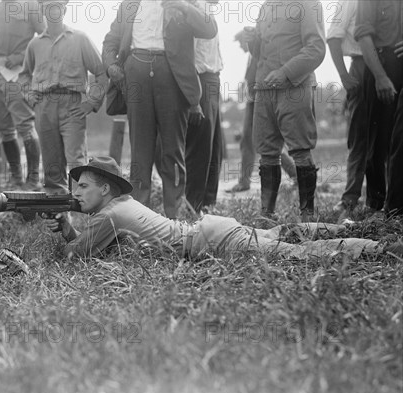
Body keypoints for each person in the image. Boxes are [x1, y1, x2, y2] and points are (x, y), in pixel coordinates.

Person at [44, 156, 403, 260]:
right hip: (212, 230)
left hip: (215, 242)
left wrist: (66, 228)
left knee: (297, 254)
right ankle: (351, 229)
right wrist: (70, 225)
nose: (77, 191)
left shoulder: (109, 214)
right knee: (282, 234)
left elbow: (75, 256)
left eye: (84, 185)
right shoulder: (120, 202)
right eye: (77, 185)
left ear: (105, 189)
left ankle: (380, 248)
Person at [102, 0, 217, 219]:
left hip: (172, 76)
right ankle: (138, 217)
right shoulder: (129, 5)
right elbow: (111, 40)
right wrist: (110, 66)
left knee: (173, 151)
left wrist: (182, 4)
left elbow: (209, 29)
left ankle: (175, 219)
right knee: (140, 151)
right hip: (135, 72)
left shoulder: (186, 3)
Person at [242, 1, 326, 222]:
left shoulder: (308, 4)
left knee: (300, 150)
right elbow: (260, 52)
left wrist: (285, 73)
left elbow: (316, 48)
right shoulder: (266, 6)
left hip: (294, 87)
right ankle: (267, 215)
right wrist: (253, 42)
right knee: (267, 152)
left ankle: (307, 216)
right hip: (264, 88)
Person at [20, 0, 107, 194]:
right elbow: (24, 75)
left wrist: (91, 102)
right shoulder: (35, 44)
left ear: (64, 9)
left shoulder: (80, 39)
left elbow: (101, 72)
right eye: (48, 7)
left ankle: (82, 206)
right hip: (44, 105)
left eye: (57, 6)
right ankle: (59, 214)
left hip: (72, 104)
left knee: (76, 159)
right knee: (51, 162)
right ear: (42, 10)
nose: (52, 11)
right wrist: (30, 97)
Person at [0, 0, 44, 190]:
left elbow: (44, 37)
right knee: (5, 129)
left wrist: (20, 58)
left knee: (25, 124)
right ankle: (15, 177)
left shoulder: (31, 6)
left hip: (17, 71)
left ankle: (33, 179)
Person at [225, 48, 297, 194]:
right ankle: (295, 174)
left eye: (241, 42)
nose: (240, 46)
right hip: (254, 97)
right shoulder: (253, 52)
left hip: (261, 95)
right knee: (253, 141)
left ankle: (295, 174)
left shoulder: (263, 46)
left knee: (265, 142)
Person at [355, 1, 403, 218]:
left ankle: (396, 204)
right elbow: (364, 36)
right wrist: (380, 76)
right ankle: (376, 204)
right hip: (382, 64)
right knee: (378, 139)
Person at [327, 0, 372, 222]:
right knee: (359, 137)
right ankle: (351, 197)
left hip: (392, 66)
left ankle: (380, 198)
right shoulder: (350, 1)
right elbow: (333, 37)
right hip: (362, 67)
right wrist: (344, 76)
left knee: (389, 139)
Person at [181, 0, 224, 213]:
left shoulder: (206, 7)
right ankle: (193, 205)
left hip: (213, 79)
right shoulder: (193, 9)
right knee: (200, 148)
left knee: (215, 148)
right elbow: (188, 56)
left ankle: (208, 203)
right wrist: (193, 98)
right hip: (200, 80)